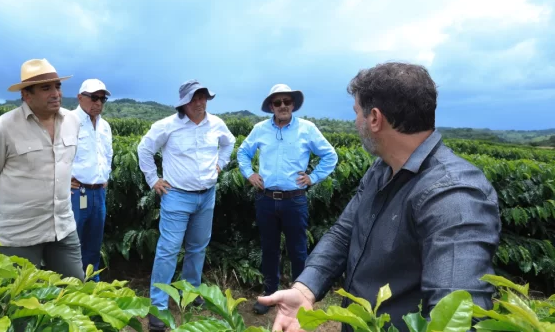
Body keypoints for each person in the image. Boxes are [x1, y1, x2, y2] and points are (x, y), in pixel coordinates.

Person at [259, 62, 502, 332]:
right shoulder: (383, 168)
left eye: (356, 113)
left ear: (374, 118)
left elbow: (459, 319)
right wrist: (306, 288)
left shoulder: (454, 195)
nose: (355, 122)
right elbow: (345, 232)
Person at [137, 79, 235, 331]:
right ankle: (158, 306)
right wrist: (153, 179)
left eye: (203, 97)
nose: (201, 102)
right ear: (184, 102)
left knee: (197, 247)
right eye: (195, 98)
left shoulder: (216, 124)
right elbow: (144, 149)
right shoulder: (167, 126)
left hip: (207, 195)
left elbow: (229, 143)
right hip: (177, 195)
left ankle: (190, 293)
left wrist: (220, 164)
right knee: (168, 250)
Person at [0, 58, 84, 280]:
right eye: (46, 88)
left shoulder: (72, 122)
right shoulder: (2, 128)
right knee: (16, 303)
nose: (55, 93)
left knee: (76, 291)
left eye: (57, 86)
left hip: (63, 227)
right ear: (27, 95)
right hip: (19, 232)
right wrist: (15, 205)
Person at [237, 84, 338, 315]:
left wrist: (313, 177)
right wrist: (249, 174)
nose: (282, 106)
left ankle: (301, 297)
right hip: (266, 198)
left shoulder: (307, 129)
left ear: (293, 104)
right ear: (271, 106)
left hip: (295, 200)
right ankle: (269, 295)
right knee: (269, 249)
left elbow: (330, 155)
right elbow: (243, 152)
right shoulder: (260, 129)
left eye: (286, 101)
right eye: (277, 102)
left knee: (298, 250)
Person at [70, 79, 113, 282]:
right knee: (72, 243)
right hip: (77, 193)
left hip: (98, 193)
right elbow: (54, 153)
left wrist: (105, 176)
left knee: (94, 245)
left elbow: (108, 154)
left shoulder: (105, 126)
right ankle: (69, 288)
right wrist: (61, 179)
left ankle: (91, 288)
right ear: (80, 98)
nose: (98, 103)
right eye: (94, 98)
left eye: (102, 99)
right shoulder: (68, 121)